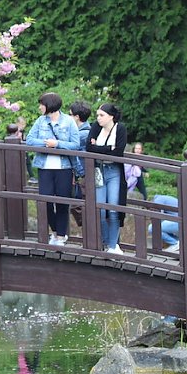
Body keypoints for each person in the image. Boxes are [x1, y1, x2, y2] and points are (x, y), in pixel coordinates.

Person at [25, 92, 81, 245]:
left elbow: (75, 145)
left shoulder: (69, 121)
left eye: (41, 104)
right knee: (46, 202)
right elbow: (29, 140)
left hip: (64, 168)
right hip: (45, 167)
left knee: (62, 202)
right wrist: (45, 143)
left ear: (49, 105)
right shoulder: (40, 121)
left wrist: (57, 144)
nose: (39, 107)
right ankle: (55, 232)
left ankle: (61, 236)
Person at [86, 103, 128, 255]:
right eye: (97, 115)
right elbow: (88, 148)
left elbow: (118, 152)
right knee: (100, 209)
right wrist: (107, 149)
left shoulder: (120, 128)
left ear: (111, 116)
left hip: (114, 171)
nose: (98, 118)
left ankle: (113, 246)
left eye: (101, 115)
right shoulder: (96, 127)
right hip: (99, 171)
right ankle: (107, 243)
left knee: (113, 208)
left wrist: (99, 148)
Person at [68, 101, 91, 228]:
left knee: (79, 206)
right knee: (78, 205)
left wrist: (79, 173)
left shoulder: (82, 134)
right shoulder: (84, 132)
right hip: (82, 174)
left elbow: (72, 152)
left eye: (70, 114)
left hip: (84, 174)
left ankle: (93, 237)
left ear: (76, 117)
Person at [17, 116, 36, 182]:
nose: (23, 126)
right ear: (17, 124)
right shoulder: (17, 132)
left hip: (24, 150)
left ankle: (31, 176)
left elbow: (24, 140)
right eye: (21, 124)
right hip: (19, 151)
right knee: (24, 163)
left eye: (24, 124)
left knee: (28, 163)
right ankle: (29, 176)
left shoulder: (22, 132)